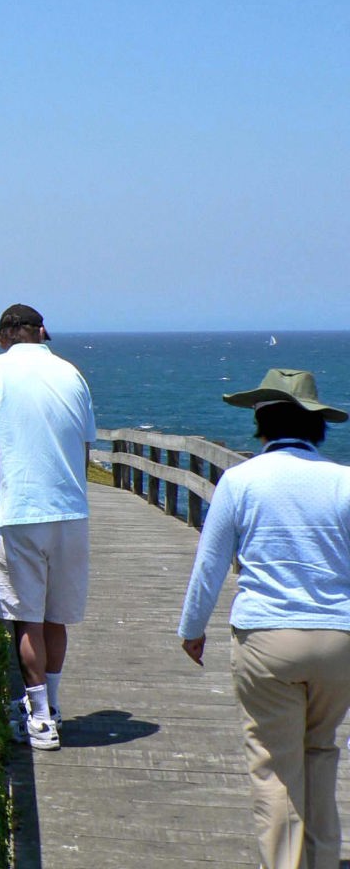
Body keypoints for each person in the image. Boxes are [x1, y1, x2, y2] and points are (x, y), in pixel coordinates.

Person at [178, 369, 350, 869]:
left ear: (262, 422)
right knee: (321, 753)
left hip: (267, 638)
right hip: (337, 640)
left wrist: (192, 629)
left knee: (275, 767)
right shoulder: (344, 481)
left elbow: (210, 565)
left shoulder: (241, 481)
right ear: (317, 424)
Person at [0, 303, 96, 752]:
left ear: (2, 337)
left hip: (20, 512)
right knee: (56, 617)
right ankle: (51, 706)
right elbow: (84, 448)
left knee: (28, 618)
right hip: (72, 512)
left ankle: (39, 719)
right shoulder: (72, 374)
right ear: (41, 333)